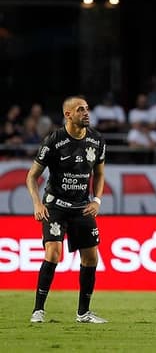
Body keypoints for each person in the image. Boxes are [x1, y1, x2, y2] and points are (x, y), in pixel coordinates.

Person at [26, 96, 107, 323]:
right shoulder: (54, 140)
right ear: (68, 114)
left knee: (91, 258)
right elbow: (32, 176)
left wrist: (97, 200)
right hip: (56, 206)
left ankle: (83, 313)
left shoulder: (97, 140)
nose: (86, 113)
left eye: (87, 109)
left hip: (82, 207)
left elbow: (99, 174)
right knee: (53, 252)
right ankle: (38, 310)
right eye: (80, 109)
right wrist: (37, 203)